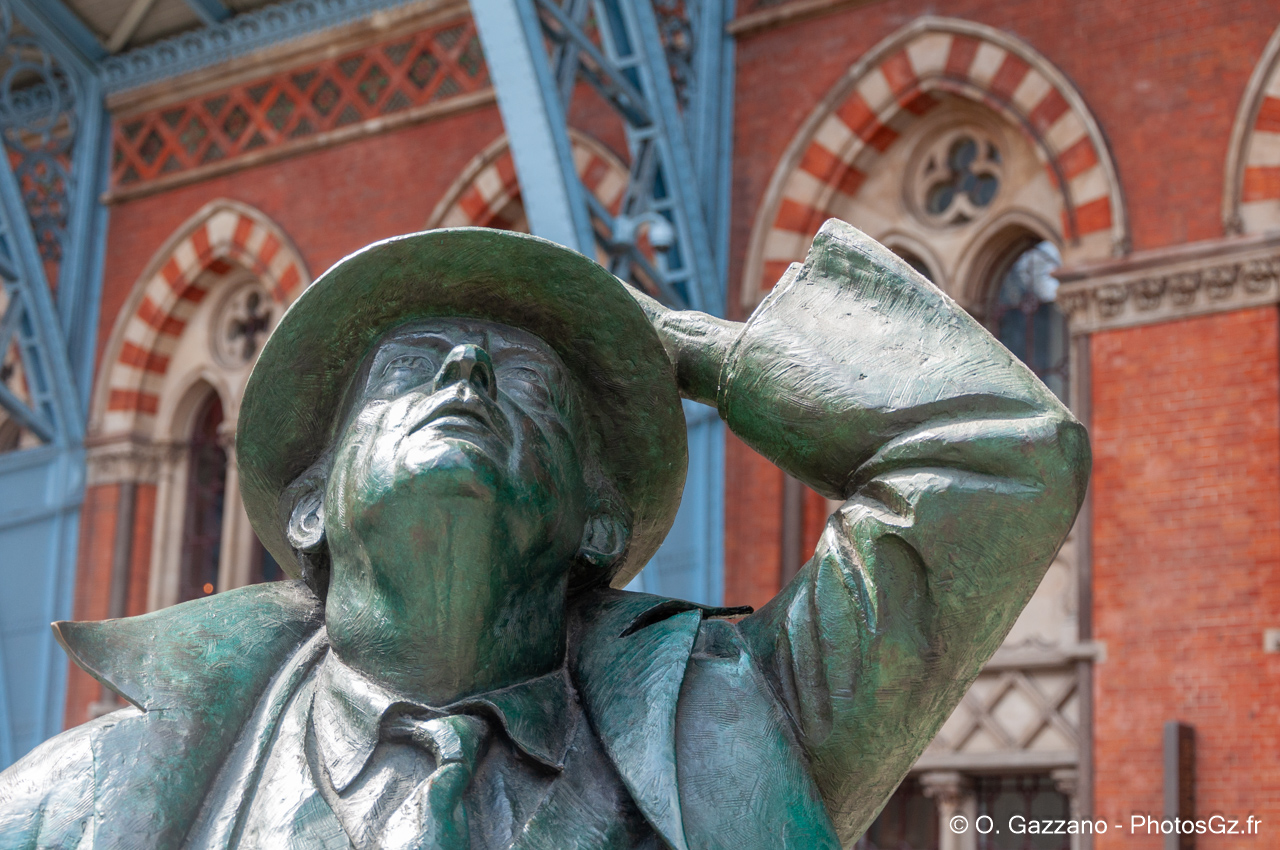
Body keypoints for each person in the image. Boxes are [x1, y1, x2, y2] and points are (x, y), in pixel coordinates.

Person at [0, 219, 1088, 849]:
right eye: (407, 366)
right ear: (307, 505)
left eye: (527, 378)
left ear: (596, 521)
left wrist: (691, 350)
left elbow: (1003, 458)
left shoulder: (746, 728)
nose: (466, 370)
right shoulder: (78, 801)